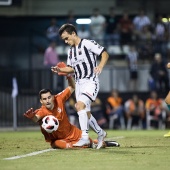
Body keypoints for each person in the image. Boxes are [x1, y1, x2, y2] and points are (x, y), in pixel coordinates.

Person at [24, 64, 118, 149]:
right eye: (44, 99)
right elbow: (36, 118)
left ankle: (102, 143)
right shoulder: (42, 111)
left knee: (89, 142)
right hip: (59, 139)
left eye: (49, 97)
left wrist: (68, 76)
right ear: (41, 101)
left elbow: (72, 87)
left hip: (72, 132)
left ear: (52, 97)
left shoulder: (59, 98)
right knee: (64, 145)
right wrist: (32, 117)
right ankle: (92, 144)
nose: (47, 100)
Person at [51, 23, 109, 148]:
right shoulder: (71, 52)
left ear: (73, 33)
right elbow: (71, 69)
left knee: (79, 105)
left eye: (67, 38)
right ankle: (101, 133)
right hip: (79, 84)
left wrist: (100, 66)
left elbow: (104, 53)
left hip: (90, 81)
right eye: (64, 40)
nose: (66, 41)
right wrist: (59, 70)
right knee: (85, 113)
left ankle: (84, 138)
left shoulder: (87, 43)